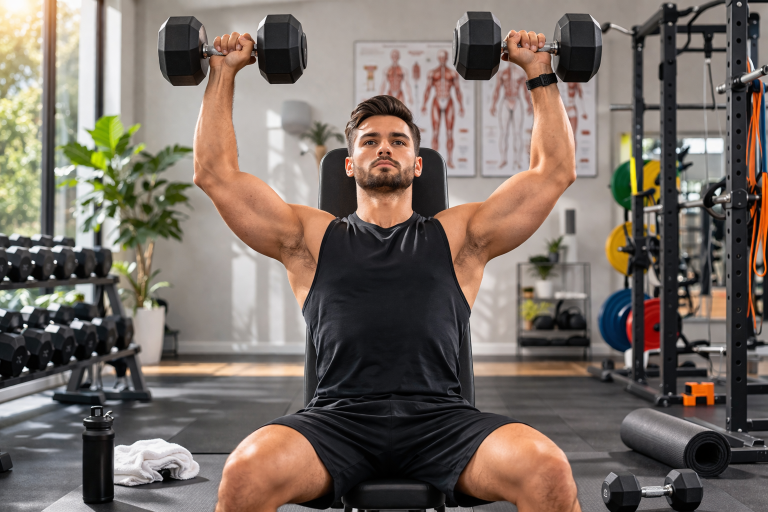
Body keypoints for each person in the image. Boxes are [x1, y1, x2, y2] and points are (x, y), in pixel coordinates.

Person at [193, 27, 579, 512]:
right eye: (370, 140)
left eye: (398, 141)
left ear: (417, 165)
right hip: (336, 422)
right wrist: (222, 73)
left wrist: (539, 70)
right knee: (244, 473)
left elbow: (554, 171)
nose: (384, 147)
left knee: (548, 470)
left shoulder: (460, 237)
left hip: (443, 422)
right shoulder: (309, 240)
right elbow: (215, 174)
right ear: (349, 165)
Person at [421, 49, 464, 168]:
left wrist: (461, 105)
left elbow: (457, 90)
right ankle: (433, 161)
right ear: (438, 58)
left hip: (449, 100)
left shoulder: (453, 73)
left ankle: (449, 159)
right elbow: (428, 89)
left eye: (444, 57)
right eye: (440, 57)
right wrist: (424, 104)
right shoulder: (432, 73)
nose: (442, 59)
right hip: (437, 100)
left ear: (446, 58)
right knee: (435, 132)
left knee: (449, 133)